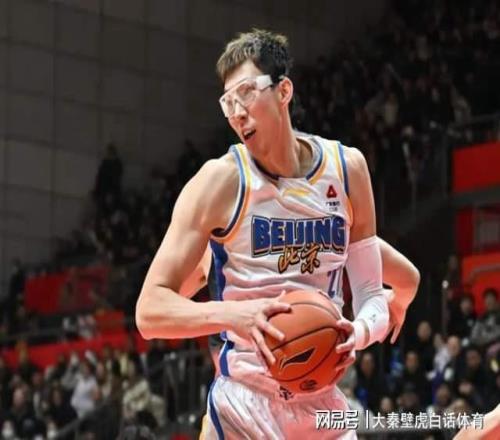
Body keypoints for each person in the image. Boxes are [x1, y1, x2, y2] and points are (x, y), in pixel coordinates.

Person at [136, 29, 414, 438]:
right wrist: (235, 315)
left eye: (246, 93)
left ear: (284, 91)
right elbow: (149, 312)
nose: (237, 112)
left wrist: (356, 333)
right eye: (228, 102)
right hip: (244, 401)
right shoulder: (219, 182)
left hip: (321, 398)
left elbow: (377, 291)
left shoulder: (346, 170)